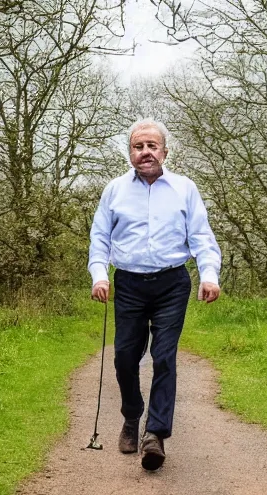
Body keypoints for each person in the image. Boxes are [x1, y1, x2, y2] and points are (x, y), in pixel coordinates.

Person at [88, 119, 222, 471]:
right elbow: (100, 238)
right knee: (124, 358)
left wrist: (209, 275)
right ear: (130, 152)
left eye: (152, 146)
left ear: (165, 151)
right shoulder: (115, 190)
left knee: (164, 356)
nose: (145, 152)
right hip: (129, 284)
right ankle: (132, 415)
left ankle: (155, 434)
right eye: (138, 146)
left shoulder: (184, 188)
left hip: (171, 284)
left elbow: (202, 238)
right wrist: (100, 276)